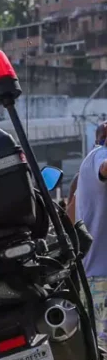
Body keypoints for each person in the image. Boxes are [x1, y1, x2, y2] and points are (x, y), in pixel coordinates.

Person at [74, 121, 107, 344]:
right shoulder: (99, 155)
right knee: (100, 355)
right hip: (100, 279)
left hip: (95, 277)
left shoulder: (85, 168)